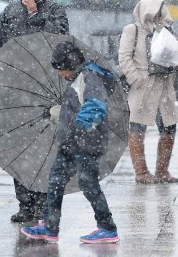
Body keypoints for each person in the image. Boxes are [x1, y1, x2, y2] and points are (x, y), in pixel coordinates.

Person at [20, 41, 119, 244]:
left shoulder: (88, 77)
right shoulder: (77, 79)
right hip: (71, 143)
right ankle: (50, 226)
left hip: (86, 143)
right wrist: (56, 114)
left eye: (60, 69)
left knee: (88, 183)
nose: (60, 74)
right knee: (55, 181)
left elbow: (95, 106)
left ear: (69, 65)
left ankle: (107, 227)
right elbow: (76, 107)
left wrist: (79, 126)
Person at [0, 0, 69, 223]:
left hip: (44, 88)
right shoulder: (10, 11)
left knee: (43, 147)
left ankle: (42, 203)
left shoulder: (55, 11)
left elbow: (60, 41)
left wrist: (36, 14)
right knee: (19, 147)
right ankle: (24, 203)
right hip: (17, 88)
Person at [118, 0, 178, 184]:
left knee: (169, 128)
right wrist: (136, 79)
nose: (158, 15)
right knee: (137, 128)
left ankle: (162, 171)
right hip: (143, 87)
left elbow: (177, 53)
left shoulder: (167, 30)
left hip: (164, 86)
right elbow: (124, 57)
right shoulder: (133, 30)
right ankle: (141, 172)